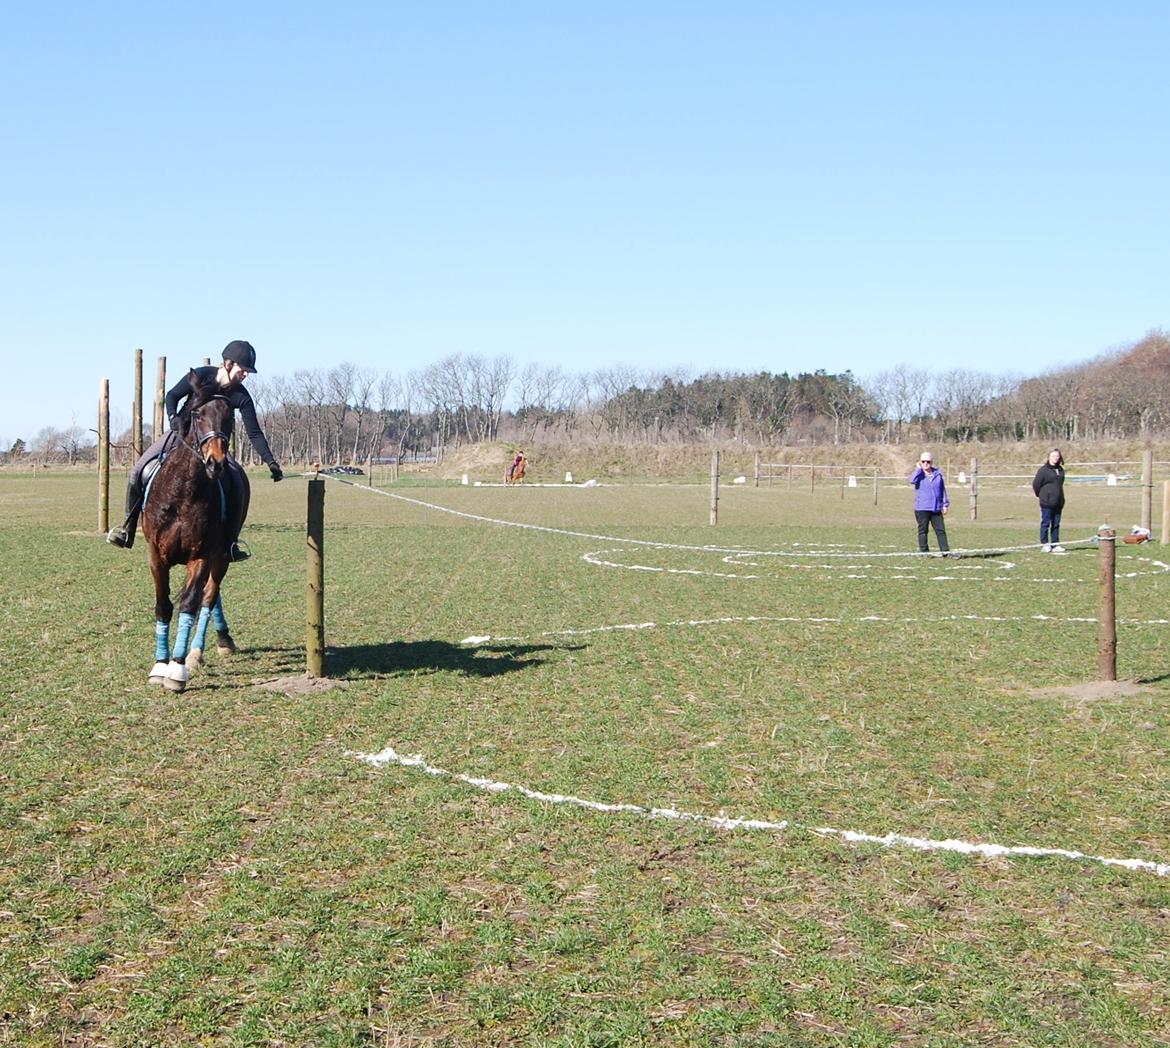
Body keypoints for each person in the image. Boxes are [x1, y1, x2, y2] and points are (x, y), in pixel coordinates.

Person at [107, 340, 283, 560]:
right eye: (243, 370)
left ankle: (230, 544)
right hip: (181, 434)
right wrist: (173, 418)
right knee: (137, 471)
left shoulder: (241, 396)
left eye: (248, 372)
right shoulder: (201, 376)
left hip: (214, 444)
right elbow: (171, 396)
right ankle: (128, 529)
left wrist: (271, 462)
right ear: (228, 364)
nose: (245, 375)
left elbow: (254, 433)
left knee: (238, 480)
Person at [909, 451, 950, 554]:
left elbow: (942, 490)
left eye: (928, 461)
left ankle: (945, 552)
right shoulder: (919, 474)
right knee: (923, 531)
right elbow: (911, 480)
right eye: (923, 461)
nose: (926, 464)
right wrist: (918, 469)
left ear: (931, 462)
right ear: (920, 462)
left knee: (940, 531)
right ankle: (924, 552)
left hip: (936, 508)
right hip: (922, 508)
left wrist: (945, 504)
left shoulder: (938, 474)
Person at [1032, 448, 1066, 553]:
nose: (1055, 458)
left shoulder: (1060, 470)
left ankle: (1055, 544)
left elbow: (1060, 484)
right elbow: (1036, 484)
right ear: (1049, 457)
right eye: (1053, 456)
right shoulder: (1043, 470)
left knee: (1056, 524)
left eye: (1057, 456)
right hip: (1047, 502)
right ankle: (1045, 544)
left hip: (1058, 501)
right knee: (1046, 523)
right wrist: (1042, 495)